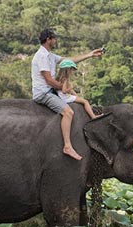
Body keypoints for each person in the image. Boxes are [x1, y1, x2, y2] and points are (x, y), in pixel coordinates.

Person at [31, 28, 103, 160]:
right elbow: (49, 80)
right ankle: (67, 146)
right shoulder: (41, 56)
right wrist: (65, 88)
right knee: (68, 112)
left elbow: (69, 60)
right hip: (44, 93)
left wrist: (90, 54)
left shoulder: (50, 56)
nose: (56, 41)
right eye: (54, 39)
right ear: (48, 39)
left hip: (51, 90)